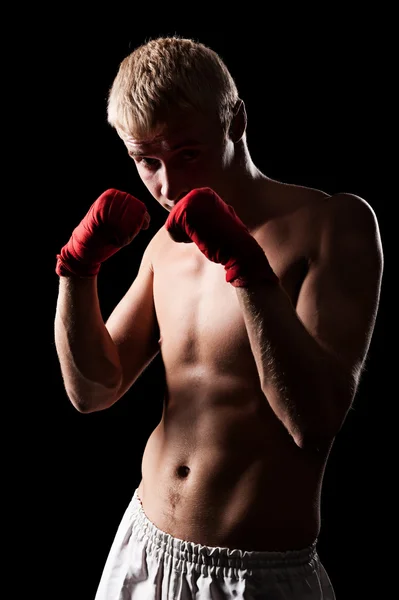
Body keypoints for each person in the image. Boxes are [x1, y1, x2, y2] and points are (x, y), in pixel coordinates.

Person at [54, 35, 383, 600]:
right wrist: (76, 273)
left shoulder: (334, 225)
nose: (168, 185)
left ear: (236, 120)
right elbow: (94, 390)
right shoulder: (166, 244)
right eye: (146, 162)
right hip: (142, 546)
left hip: (254, 575)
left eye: (187, 154)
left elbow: (312, 420)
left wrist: (248, 267)